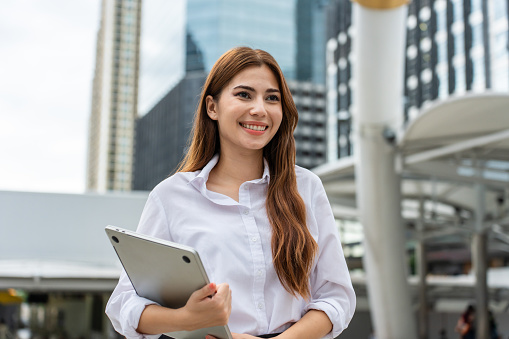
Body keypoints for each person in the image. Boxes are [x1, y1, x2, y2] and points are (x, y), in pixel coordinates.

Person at [105, 46, 356, 339]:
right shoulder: (170, 197)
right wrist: (186, 318)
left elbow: (337, 297)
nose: (260, 109)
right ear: (212, 107)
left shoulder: (307, 188)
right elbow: (124, 305)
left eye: (272, 98)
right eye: (244, 95)